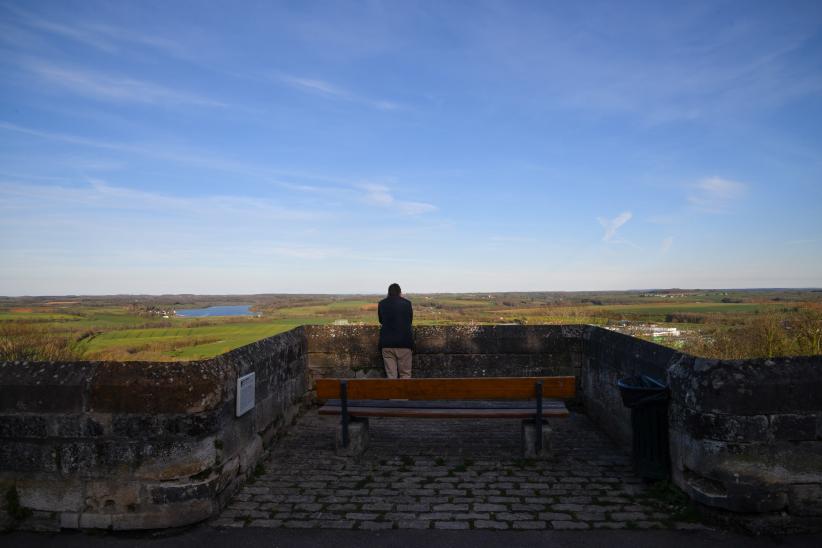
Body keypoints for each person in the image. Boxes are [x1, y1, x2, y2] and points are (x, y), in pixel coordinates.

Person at [378, 283, 413, 379]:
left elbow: (381, 320)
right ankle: (404, 394)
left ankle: (392, 393)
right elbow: (409, 321)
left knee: (391, 375)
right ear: (400, 292)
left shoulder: (382, 303)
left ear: (388, 293)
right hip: (404, 343)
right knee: (405, 374)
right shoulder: (407, 303)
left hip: (387, 344)